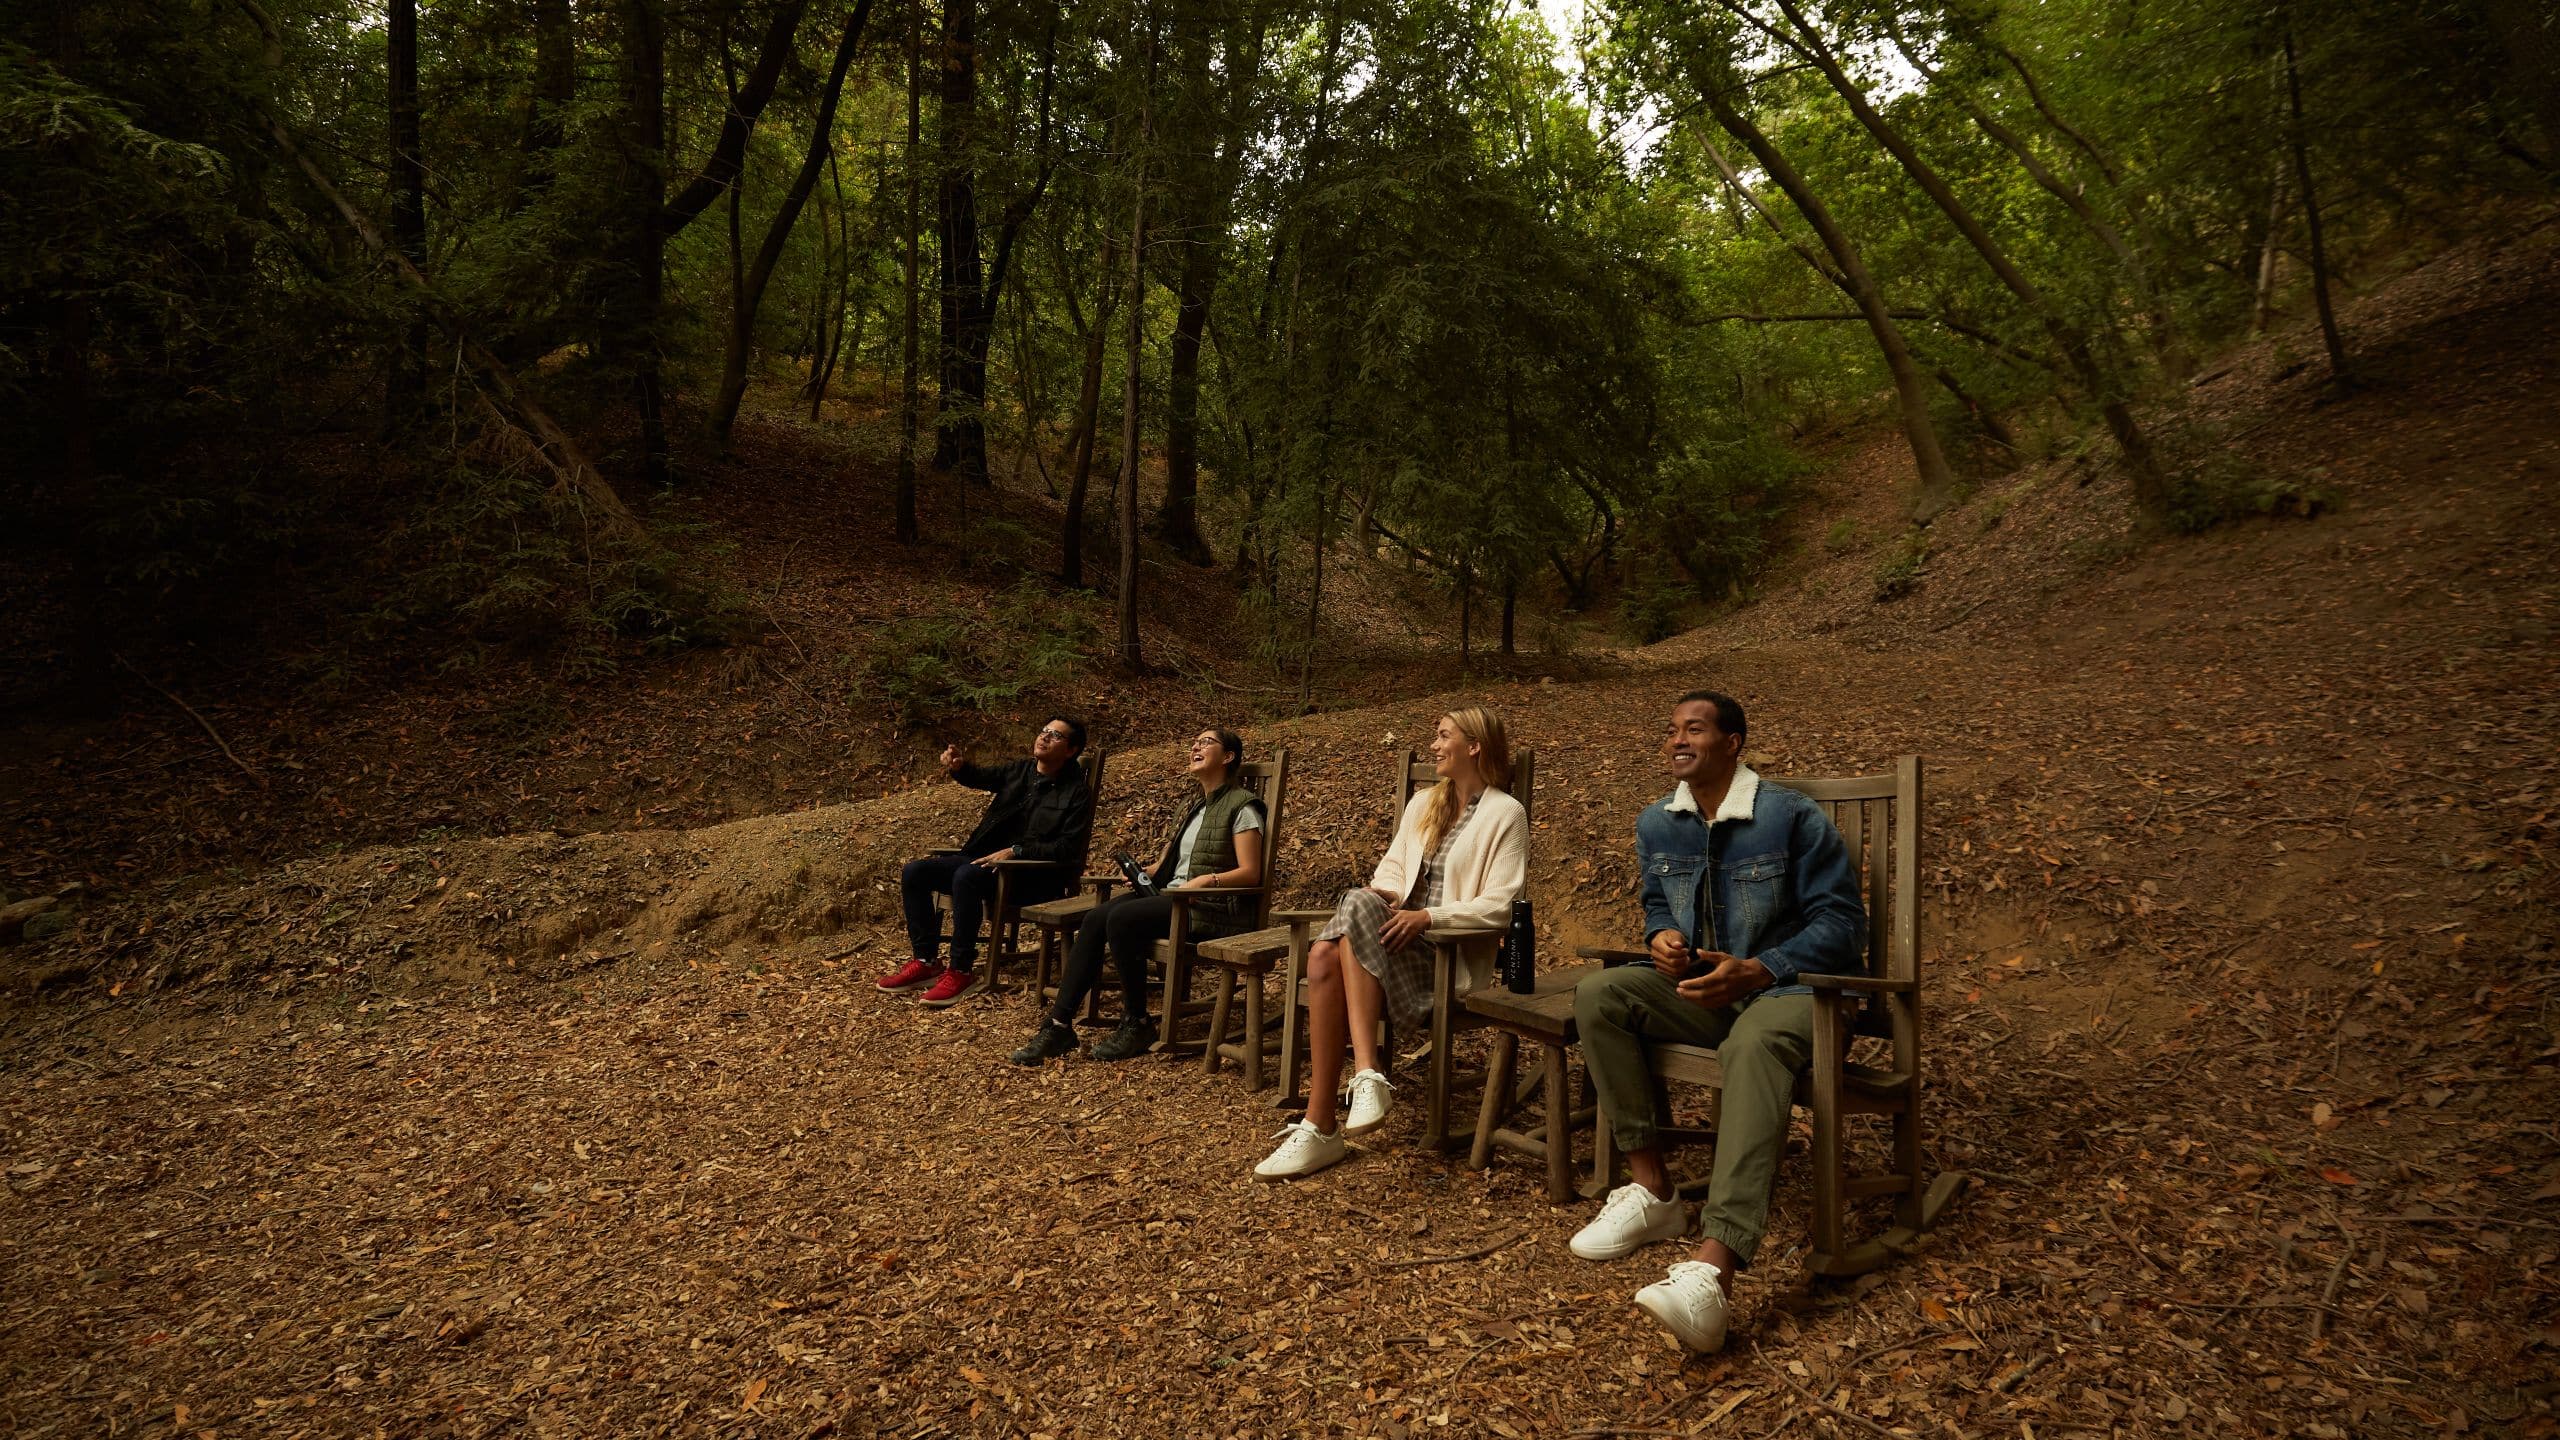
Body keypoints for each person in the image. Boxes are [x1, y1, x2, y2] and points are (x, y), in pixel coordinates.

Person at [1567, 690, 1866, 1354]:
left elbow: (1844, 925)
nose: (1678, 739)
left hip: (1796, 997)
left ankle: (1713, 1271)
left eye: (1695, 729)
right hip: (1709, 993)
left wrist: (1762, 969)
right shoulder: (1658, 823)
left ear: (1733, 743)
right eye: (1672, 729)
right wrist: (1662, 935)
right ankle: (1653, 1190)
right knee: (1601, 996)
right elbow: (1654, 902)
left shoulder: (1789, 817)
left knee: (1754, 1043)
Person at [1255, 707, 1529, 1180]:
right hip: (1392, 943)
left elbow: (1502, 905)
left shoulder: (1506, 813)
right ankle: (1355, 1086)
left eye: (1444, 736)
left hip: (1448, 958)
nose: (1435, 745)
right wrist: (1386, 893)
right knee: (1343, 923)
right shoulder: (1423, 804)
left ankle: (1328, 1118)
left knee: (1324, 951)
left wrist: (1428, 916)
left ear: (1475, 745)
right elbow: (1392, 869)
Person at [1010, 728, 1266, 1065]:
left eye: (1207, 742)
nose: (1196, 746)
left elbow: (1252, 872)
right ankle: (1058, 1024)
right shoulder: (1193, 805)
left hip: (1213, 909)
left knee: (1121, 919)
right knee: (1096, 916)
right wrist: (1144, 870)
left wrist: (1205, 881)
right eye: (1195, 741)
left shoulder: (1242, 806)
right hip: (1174, 898)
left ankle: (1137, 1021)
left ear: (1228, 757)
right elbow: (1171, 862)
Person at [877, 717, 1095, 1008]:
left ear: (1071, 750)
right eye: (1043, 730)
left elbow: (1067, 847)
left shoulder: (1075, 792)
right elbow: (979, 776)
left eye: (1055, 736)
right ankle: (927, 961)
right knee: (916, 871)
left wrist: (1016, 851)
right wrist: (959, 767)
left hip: (1030, 878)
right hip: (982, 863)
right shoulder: (1020, 770)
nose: (1044, 737)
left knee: (966, 875)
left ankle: (961, 970)